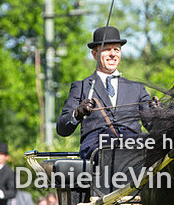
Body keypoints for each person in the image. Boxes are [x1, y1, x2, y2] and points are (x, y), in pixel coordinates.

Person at [56, 26, 154, 161]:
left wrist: (159, 114)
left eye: (117, 50)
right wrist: (77, 113)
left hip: (133, 143)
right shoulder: (82, 87)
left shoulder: (136, 88)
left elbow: (153, 125)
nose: (113, 54)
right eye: (107, 49)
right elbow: (62, 129)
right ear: (94, 54)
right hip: (98, 146)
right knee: (111, 150)